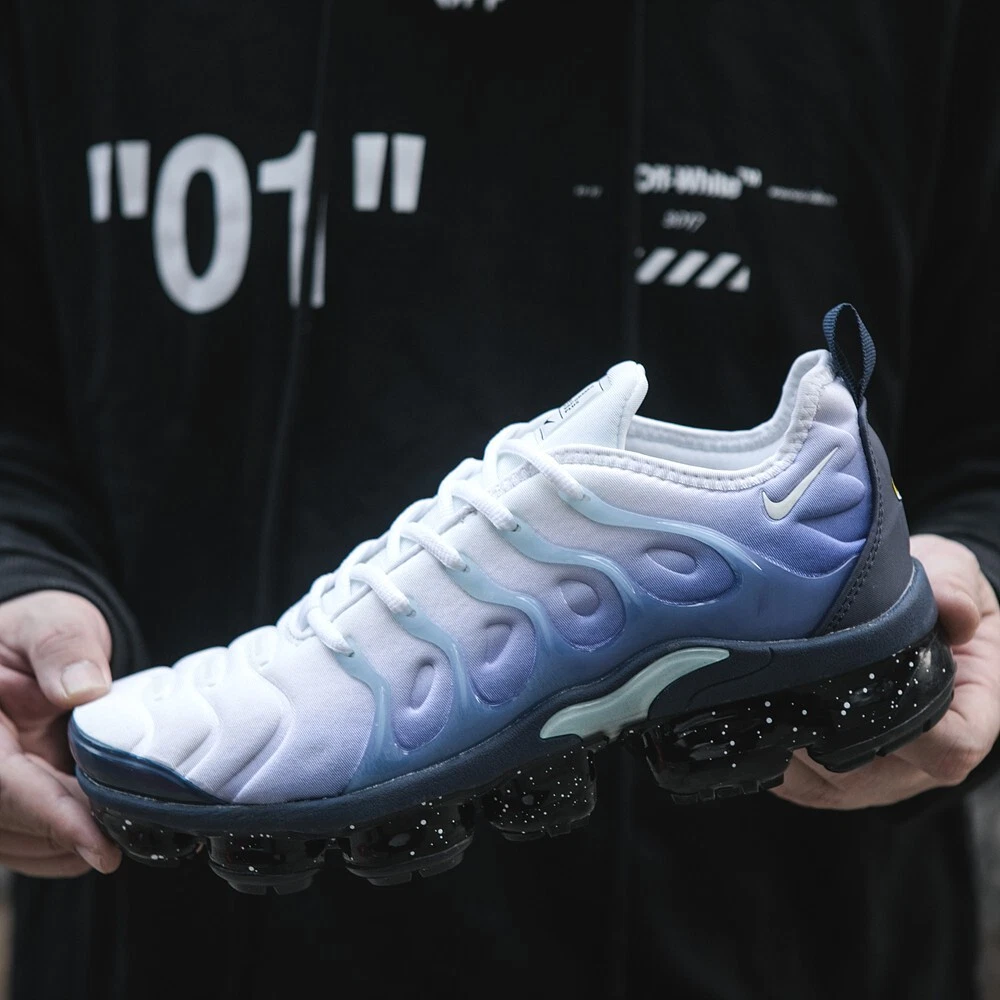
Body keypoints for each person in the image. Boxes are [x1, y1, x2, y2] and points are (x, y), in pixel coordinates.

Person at [1, 1, 997, 997]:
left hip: (787, 945)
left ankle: (800, 580)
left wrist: (982, 576)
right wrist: (18, 571)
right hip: (153, 949)